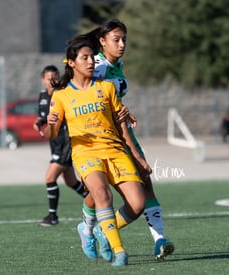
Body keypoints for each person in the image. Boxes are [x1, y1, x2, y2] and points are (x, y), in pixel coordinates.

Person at [68, 18, 175, 260]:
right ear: (102, 42)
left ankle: (159, 239)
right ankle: (88, 229)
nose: (122, 44)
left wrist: (123, 111)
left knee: (144, 180)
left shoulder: (118, 64)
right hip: (98, 137)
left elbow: (110, 99)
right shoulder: (97, 65)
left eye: (124, 39)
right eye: (116, 40)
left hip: (122, 131)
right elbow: (85, 92)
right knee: (101, 188)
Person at [46, 39, 149, 267]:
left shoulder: (107, 87)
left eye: (92, 57)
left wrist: (138, 156)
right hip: (85, 153)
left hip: (114, 150)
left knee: (138, 204)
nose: (91, 61)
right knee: (103, 194)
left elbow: (121, 124)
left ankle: (94, 229)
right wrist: (51, 123)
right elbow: (51, 134)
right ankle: (119, 250)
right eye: (85, 57)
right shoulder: (62, 95)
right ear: (71, 63)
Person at [33, 65, 88, 226]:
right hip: (55, 143)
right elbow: (44, 116)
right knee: (71, 181)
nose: (52, 81)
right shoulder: (43, 96)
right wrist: (39, 122)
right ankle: (98, 202)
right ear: (43, 80)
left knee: (50, 178)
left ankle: (53, 216)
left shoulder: (62, 94)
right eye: (49, 78)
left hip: (65, 142)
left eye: (55, 77)